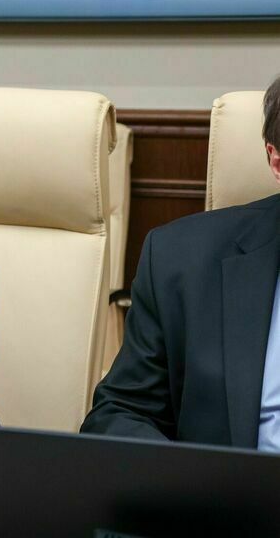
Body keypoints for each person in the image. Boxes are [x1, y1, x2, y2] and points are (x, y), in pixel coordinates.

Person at [81, 76, 280, 449]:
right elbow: (120, 414)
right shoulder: (182, 262)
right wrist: (187, 478)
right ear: (276, 161)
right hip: (233, 486)